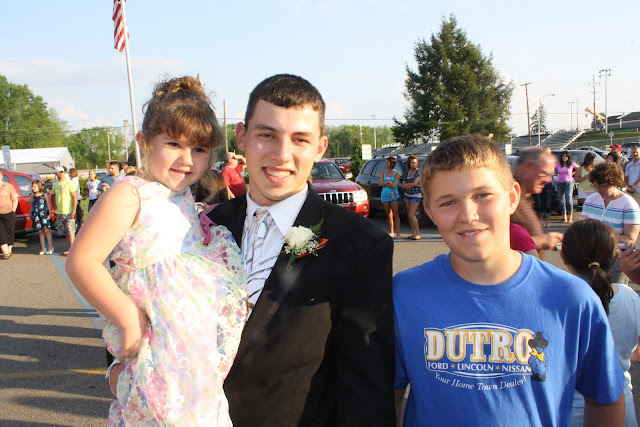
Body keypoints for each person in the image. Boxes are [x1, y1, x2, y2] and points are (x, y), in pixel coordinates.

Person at [393, 135, 625, 426]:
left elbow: (605, 398)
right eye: (448, 202)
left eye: (482, 195)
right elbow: (389, 396)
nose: (468, 215)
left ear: (512, 197)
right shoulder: (404, 294)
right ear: (429, 211)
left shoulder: (571, 298)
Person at [205, 74, 395, 426]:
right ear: (242, 136)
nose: (282, 155)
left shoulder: (357, 244)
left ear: (320, 147)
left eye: (300, 139)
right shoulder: (203, 227)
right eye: (267, 135)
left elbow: (365, 390)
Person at [65, 76, 247, 425]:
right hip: (158, 356)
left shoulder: (182, 197)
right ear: (144, 141)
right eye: (174, 143)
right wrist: (127, 318)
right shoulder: (130, 193)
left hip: (191, 363)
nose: (186, 158)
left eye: (199, 149)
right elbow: (82, 261)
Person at [561, 219, 640, 427]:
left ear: (563, 257)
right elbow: (637, 351)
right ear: (616, 257)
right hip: (622, 408)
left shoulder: (556, 301)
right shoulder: (629, 296)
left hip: (567, 412)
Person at [582, 161, 640, 284]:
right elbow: (583, 227)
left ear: (614, 182)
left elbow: (630, 239)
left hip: (616, 260)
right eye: (595, 186)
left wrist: (602, 236)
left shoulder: (629, 204)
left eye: (603, 186)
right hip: (591, 257)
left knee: (615, 292)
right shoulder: (590, 200)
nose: (598, 190)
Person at [512, 147, 563, 258]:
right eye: (544, 173)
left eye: (551, 175)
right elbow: (495, 243)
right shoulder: (506, 198)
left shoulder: (526, 197)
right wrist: (540, 241)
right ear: (527, 166)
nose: (548, 180)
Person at [51, 166, 77, 255]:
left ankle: (73, 249)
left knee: (71, 231)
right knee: (65, 231)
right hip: (60, 211)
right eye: (59, 172)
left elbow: (74, 197)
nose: (61, 174)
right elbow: (53, 195)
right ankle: (70, 247)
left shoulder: (70, 183)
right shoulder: (55, 184)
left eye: (62, 172)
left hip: (68, 211)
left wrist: (74, 210)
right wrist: (54, 206)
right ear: (56, 173)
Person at [401, 154, 422, 240]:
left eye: (415, 163)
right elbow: (403, 185)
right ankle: (413, 232)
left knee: (412, 214)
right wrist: (411, 185)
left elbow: (415, 183)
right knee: (409, 215)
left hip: (415, 195)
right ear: (409, 163)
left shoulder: (418, 172)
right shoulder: (407, 173)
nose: (414, 164)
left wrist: (410, 185)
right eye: (412, 163)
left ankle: (418, 233)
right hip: (407, 195)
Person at [379, 156, 401, 238]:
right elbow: (380, 183)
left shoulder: (397, 173)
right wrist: (388, 182)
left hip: (394, 196)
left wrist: (385, 183)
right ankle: (391, 231)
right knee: (388, 214)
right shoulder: (383, 172)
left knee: (396, 215)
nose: (385, 163)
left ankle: (398, 233)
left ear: (392, 163)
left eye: (387, 162)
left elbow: (394, 184)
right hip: (385, 195)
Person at [30, 180, 54, 255]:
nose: (33, 188)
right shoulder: (33, 195)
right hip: (36, 214)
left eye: (34, 186)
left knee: (46, 230)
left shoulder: (44, 195)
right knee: (40, 231)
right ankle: (43, 248)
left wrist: (50, 214)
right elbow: (32, 205)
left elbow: (48, 205)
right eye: (32, 186)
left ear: (39, 186)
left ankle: (50, 247)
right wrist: (30, 212)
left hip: (44, 214)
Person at [555, 151, 579, 223]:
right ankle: (564, 216)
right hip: (559, 183)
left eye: (566, 156)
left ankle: (570, 216)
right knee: (561, 200)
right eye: (563, 156)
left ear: (568, 157)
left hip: (568, 183)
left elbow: (579, 168)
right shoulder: (558, 164)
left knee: (569, 199)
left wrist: (573, 173)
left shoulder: (571, 164)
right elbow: (553, 170)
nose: (564, 158)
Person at [0, 169, 18, 259]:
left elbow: (14, 198)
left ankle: (9, 250)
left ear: (1, 176)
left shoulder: (8, 186)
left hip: (8, 212)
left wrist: (13, 209)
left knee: (9, 231)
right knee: (1, 232)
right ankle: (5, 252)